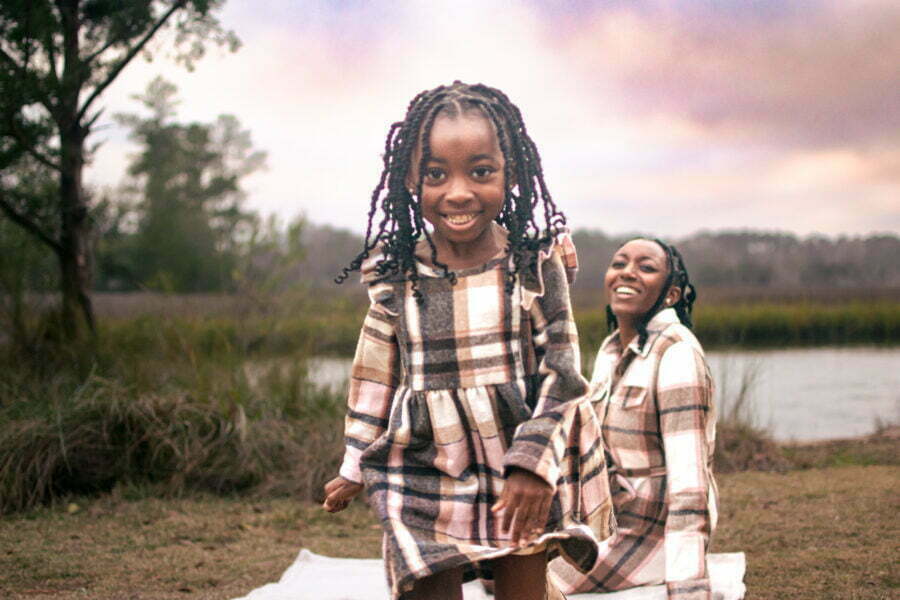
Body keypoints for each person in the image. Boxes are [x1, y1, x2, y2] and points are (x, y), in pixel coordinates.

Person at [322, 81, 614, 600]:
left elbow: (563, 374)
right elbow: (374, 376)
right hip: (425, 459)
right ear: (410, 179)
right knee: (425, 583)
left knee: (520, 585)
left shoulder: (532, 263)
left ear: (511, 173)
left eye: (480, 172)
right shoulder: (396, 274)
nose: (457, 192)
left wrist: (533, 464)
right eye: (436, 174)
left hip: (518, 453)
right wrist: (354, 461)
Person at [550, 238, 718, 600]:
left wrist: (688, 586)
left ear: (671, 294)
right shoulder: (611, 349)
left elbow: (690, 482)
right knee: (498, 565)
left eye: (646, 267)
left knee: (525, 580)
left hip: (650, 532)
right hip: (604, 519)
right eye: (619, 263)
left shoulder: (677, 354)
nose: (627, 272)